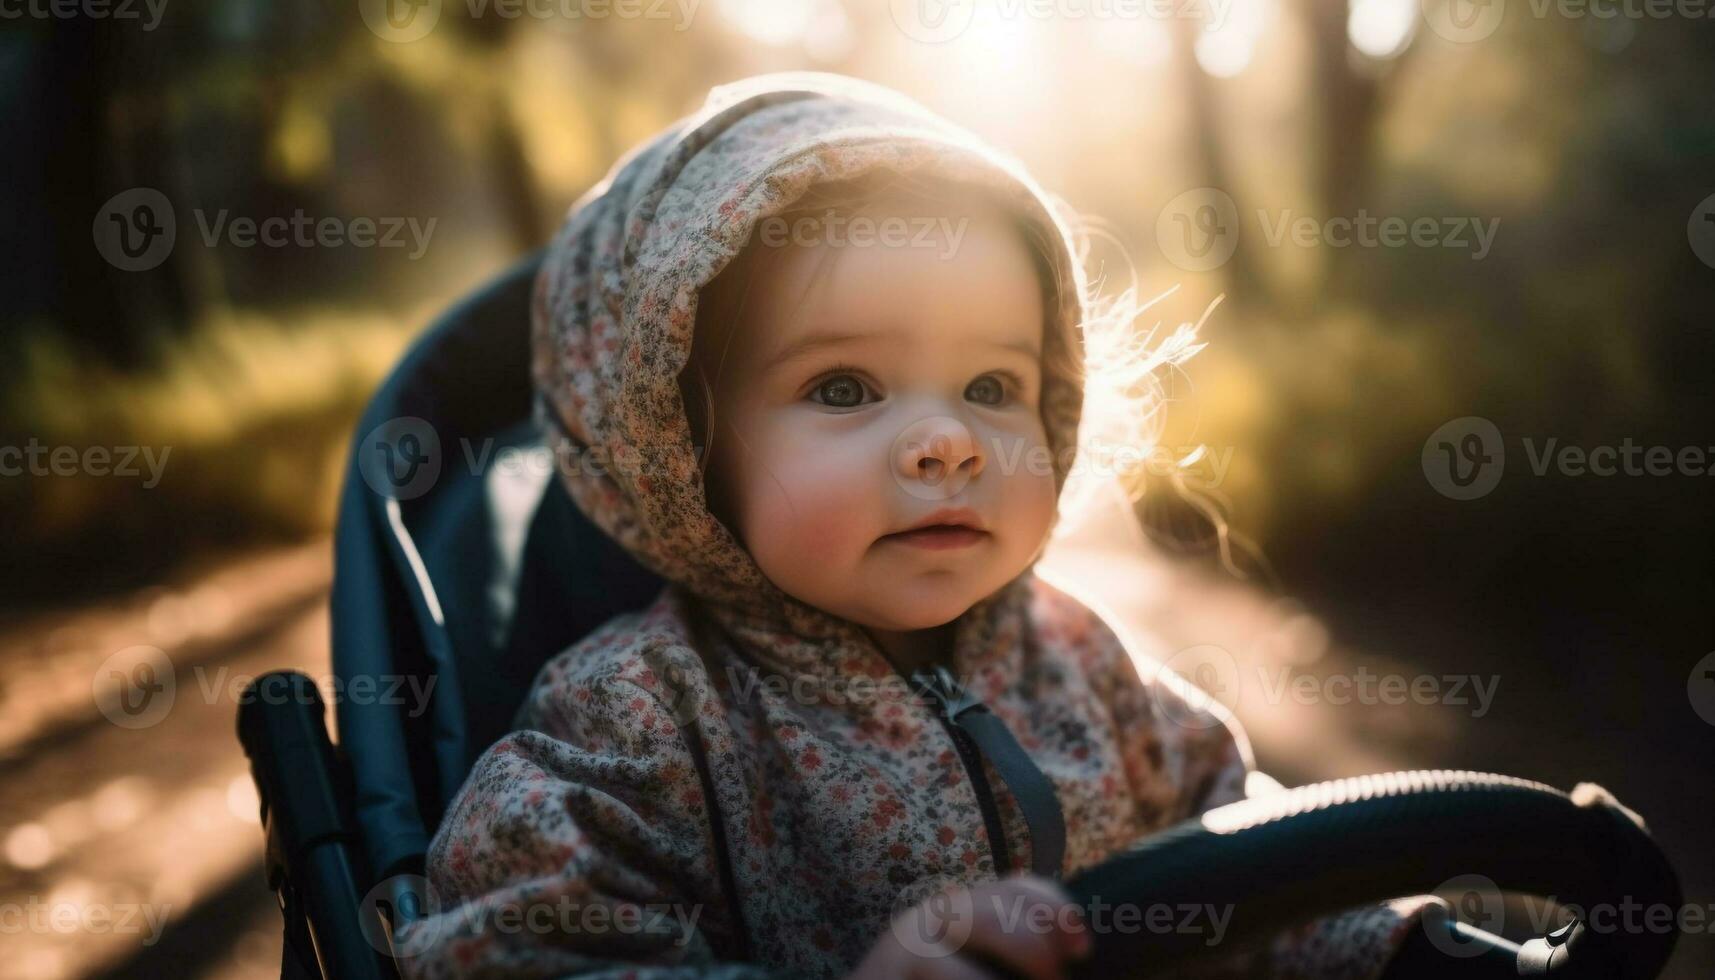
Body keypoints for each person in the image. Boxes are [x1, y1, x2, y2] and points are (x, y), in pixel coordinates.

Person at [393, 72, 1445, 979]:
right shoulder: (634, 720)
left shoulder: (1084, 662)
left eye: (992, 382)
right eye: (844, 386)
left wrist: (1398, 953)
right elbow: (518, 951)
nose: (947, 441)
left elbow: (1255, 872)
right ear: (679, 451)